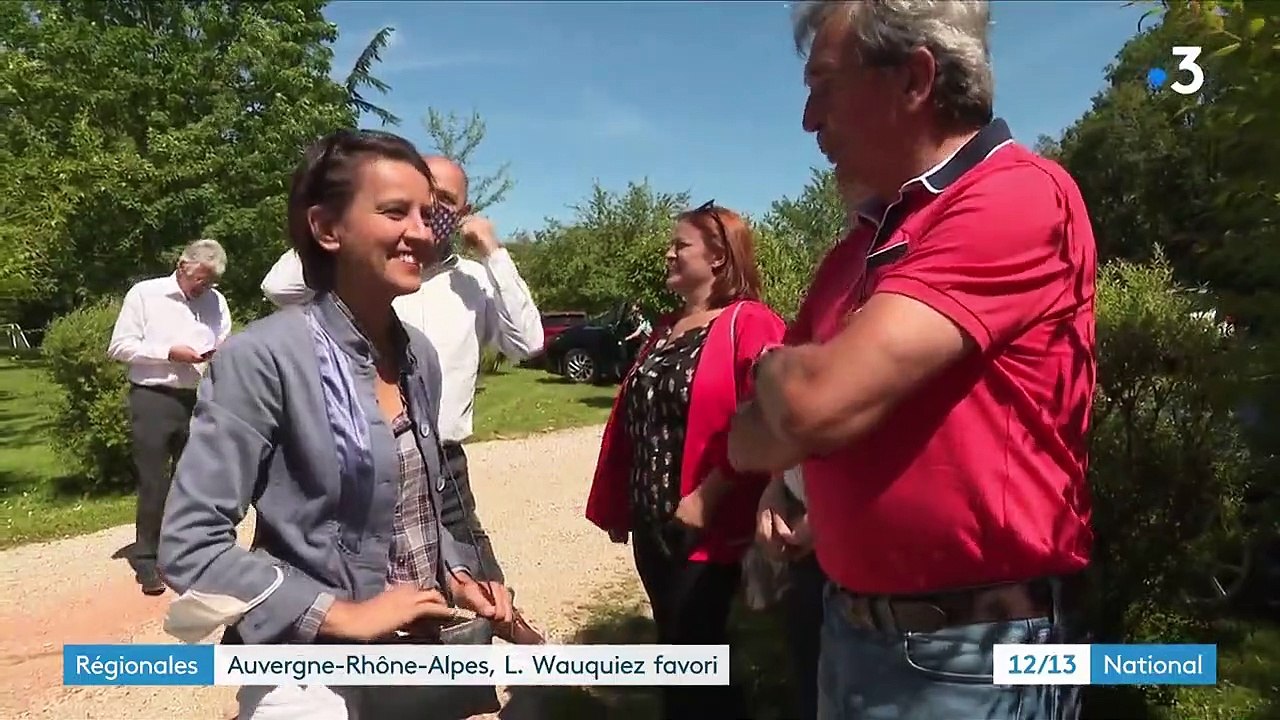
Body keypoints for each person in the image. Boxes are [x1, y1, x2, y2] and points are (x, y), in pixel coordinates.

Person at [729, 2, 1097, 719]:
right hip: (849, 630)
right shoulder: (855, 247)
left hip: (975, 657)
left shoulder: (1016, 195)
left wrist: (776, 367)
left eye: (824, 86)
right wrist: (786, 478)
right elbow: (746, 439)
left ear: (914, 80)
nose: (809, 120)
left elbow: (809, 405)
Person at [158, 129, 513, 719]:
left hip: (418, 655)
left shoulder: (417, 353)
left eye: (427, 215)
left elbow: (416, 505)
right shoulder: (263, 357)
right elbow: (189, 545)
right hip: (308, 668)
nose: (422, 232)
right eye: (395, 212)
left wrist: (458, 571)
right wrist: (342, 613)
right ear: (327, 229)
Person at [259, 154, 543, 587]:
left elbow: (528, 343)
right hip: (351, 457)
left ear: (464, 214)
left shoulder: (474, 281)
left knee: (477, 591)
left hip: (441, 464)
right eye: (418, 196)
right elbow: (278, 286)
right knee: (349, 589)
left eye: (443, 201)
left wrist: (494, 253)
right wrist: (360, 233)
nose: (428, 211)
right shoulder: (363, 269)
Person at [586, 201, 786, 720]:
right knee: (679, 652)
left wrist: (709, 494)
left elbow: (771, 417)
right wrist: (617, 503)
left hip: (707, 525)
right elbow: (637, 420)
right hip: (655, 524)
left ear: (719, 257)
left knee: (698, 655)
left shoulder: (751, 322)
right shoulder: (668, 328)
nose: (668, 252)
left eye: (682, 244)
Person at [756, 166, 868, 720]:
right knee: (813, 683)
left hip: (853, 540)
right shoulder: (842, 271)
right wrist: (776, 486)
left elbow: (879, 421)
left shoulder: (905, 281)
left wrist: (824, 520)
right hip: (805, 531)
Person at [107, 238, 232, 596]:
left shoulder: (216, 302)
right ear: (182, 265)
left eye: (211, 282)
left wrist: (219, 354)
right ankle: (147, 558)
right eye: (200, 280)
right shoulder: (145, 295)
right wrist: (168, 353)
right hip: (153, 398)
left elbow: (223, 339)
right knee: (154, 480)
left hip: (198, 397)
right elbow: (119, 346)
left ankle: (185, 555)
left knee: (192, 481)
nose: (204, 288)